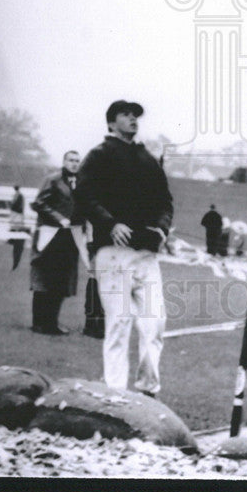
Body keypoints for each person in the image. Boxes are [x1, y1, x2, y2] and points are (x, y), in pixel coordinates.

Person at [74, 100, 173, 397]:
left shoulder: (148, 158)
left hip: (145, 253)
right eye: (125, 115)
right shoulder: (99, 155)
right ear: (111, 122)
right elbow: (84, 195)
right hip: (113, 254)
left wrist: (161, 229)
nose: (132, 119)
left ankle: (147, 389)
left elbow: (165, 201)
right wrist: (109, 224)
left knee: (155, 321)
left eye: (135, 115)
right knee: (118, 323)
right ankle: (115, 392)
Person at [29, 152, 82, 334]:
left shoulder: (79, 182)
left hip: (68, 237)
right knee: (45, 279)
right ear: (63, 161)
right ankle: (40, 323)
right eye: (71, 160)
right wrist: (59, 218)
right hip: (49, 234)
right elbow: (38, 203)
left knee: (62, 280)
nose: (74, 164)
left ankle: (52, 322)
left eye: (77, 161)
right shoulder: (53, 179)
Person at [9, 185, 27, 271]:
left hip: (17, 217)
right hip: (16, 217)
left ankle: (16, 264)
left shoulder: (18, 196)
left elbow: (16, 206)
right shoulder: (18, 195)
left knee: (17, 247)